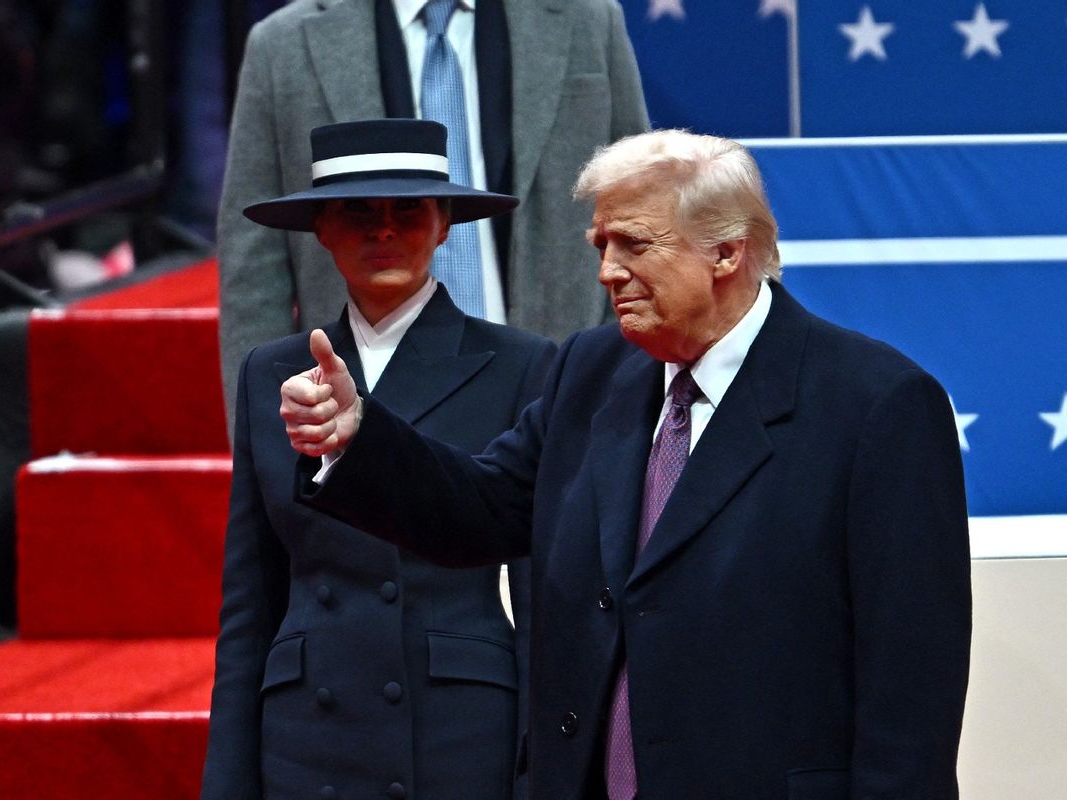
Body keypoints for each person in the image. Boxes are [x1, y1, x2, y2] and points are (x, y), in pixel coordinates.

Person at [280, 129, 973, 799]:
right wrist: (357, 435)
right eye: (601, 244)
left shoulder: (876, 406)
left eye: (634, 245)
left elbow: (911, 689)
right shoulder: (591, 367)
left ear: (727, 252)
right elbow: (482, 509)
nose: (609, 270)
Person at [201, 118, 556, 800]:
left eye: (407, 210)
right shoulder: (270, 371)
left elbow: (542, 594)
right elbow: (250, 598)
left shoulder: (522, 364)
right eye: (357, 211)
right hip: (309, 739)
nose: (383, 230)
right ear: (321, 230)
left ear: (446, 223)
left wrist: (538, 773)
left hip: (459, 732)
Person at [216, 0, 649, 430]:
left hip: (562, 403)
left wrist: (628, 414)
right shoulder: (281, 42)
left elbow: (642, 212)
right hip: (355, 421)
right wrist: (270, 445)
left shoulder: (589, 18)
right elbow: (253, 265)